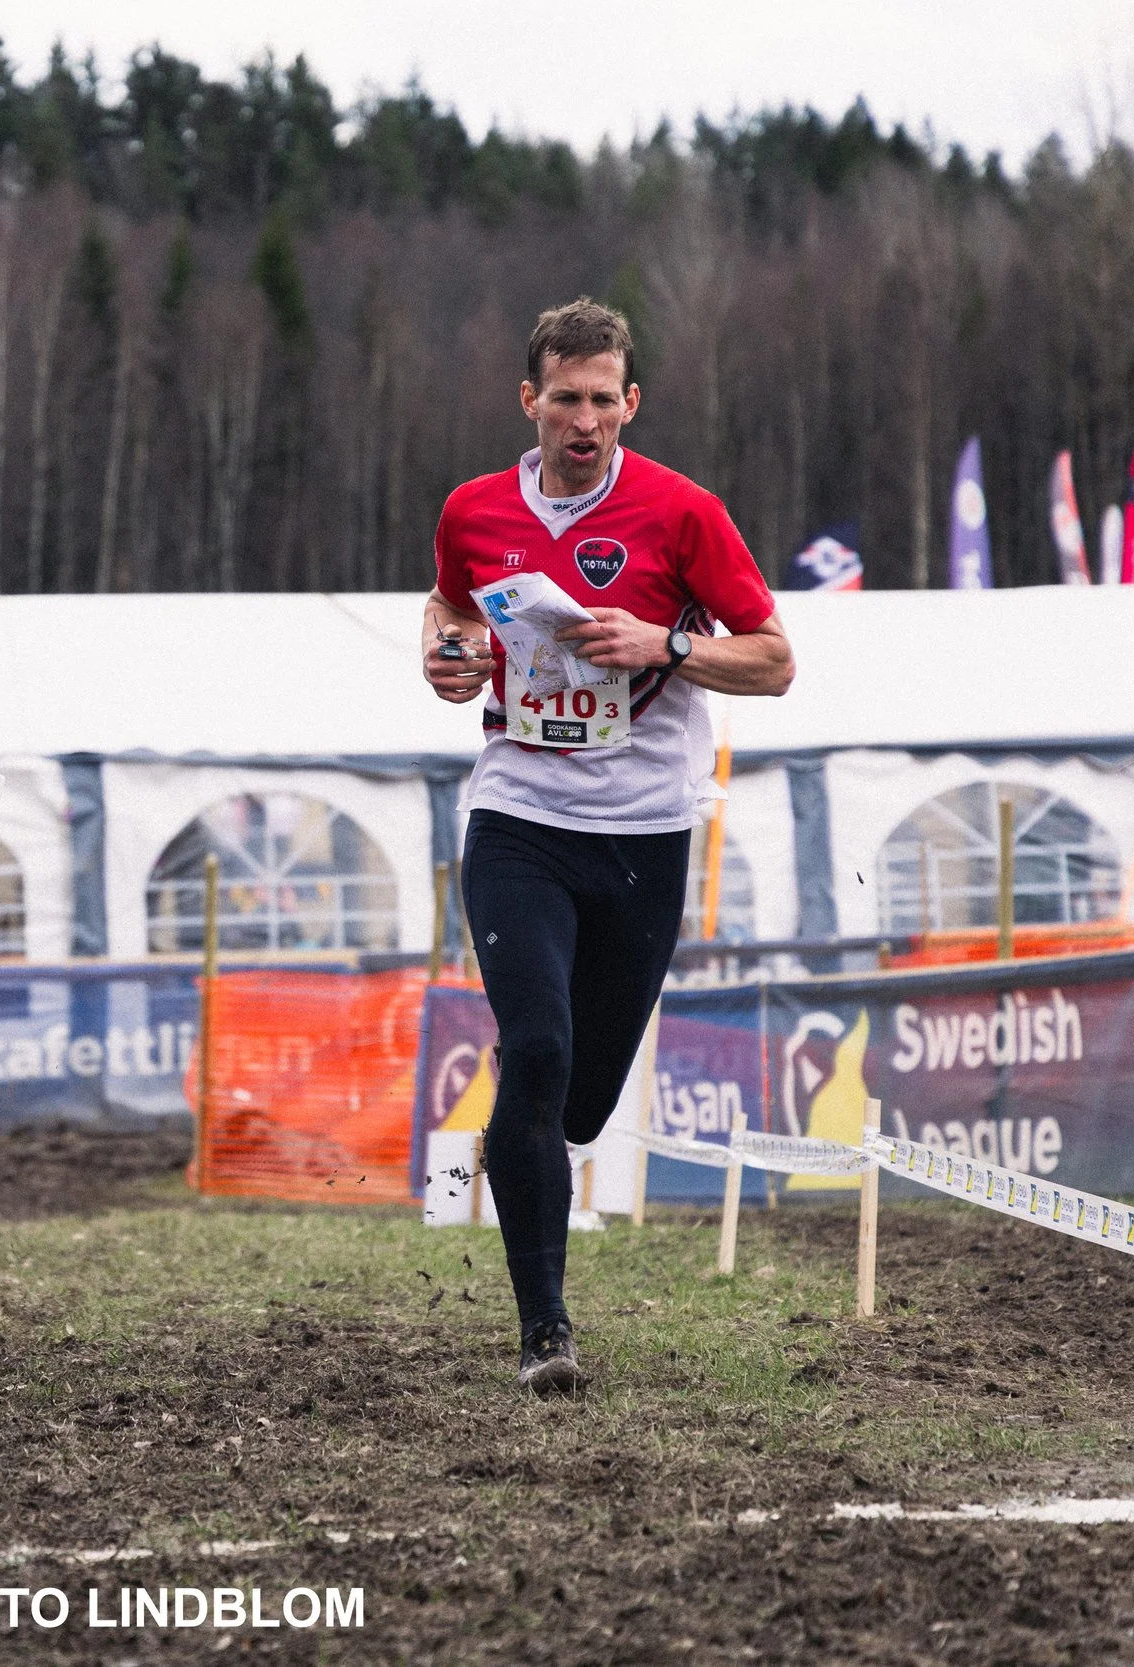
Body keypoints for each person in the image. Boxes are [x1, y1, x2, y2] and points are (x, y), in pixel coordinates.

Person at [422, 298, 794, 1397]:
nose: (582, 421)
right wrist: (447, 657)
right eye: (563, 399)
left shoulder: (682, 512)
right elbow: (449, 606)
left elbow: (774, 659)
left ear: (630, 403)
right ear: (528, 400)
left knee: (576, 1103)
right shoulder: (473, 508)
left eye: (601, 400)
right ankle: (545, 1330)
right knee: (537, 1047)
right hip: (519, 814)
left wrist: (664, 643)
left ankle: (536, 1102)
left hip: (643, 829)